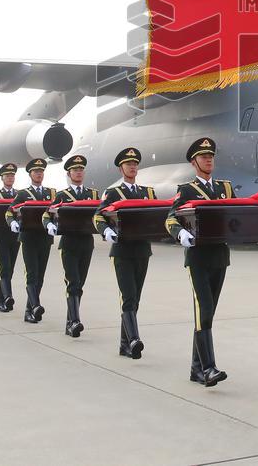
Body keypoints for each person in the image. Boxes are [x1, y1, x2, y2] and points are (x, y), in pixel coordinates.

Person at [165, 137, 235, 387]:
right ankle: (208, 368)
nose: (209, 159)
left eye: (211, 156)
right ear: (194, 162)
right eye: (204, 156)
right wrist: (180, 233)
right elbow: (171, 219)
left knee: (208, 313)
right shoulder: (186, 190)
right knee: (203, 309)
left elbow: (235, 215)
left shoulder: (225, 188)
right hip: (197, 258)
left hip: (220, 257)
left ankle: (197, 368)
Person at [94, 147, 157, 359]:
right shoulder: (113, 193)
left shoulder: (148, 193)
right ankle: (134, 339)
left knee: (135, 298)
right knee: (128, 296)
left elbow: (156, 215)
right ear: (121, 169)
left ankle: (124, 344)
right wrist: (107, 231)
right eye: (128, 164)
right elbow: (98, 216)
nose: (132, 166)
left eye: (135, 163)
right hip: (121, 251)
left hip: (142, 250)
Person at [43, 155, 98, 337]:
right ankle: (75, 320)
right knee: (72, 282)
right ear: (69, 173)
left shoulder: (93, 194)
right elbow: (47, 215)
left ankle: (70, 322)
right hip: (69, 242)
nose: (79, 172)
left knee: (80, 283)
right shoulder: (62, 195)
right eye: (75, 170)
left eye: (81, 169)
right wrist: (50, 225)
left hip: (86, 242)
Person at [6, 159, 56, 323]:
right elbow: (9, 212)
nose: (39, 174)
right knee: (32, 273)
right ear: (30, 174)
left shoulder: (52, 193)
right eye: (36, 171)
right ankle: (34, 306)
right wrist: (13, 222)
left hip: (45, 238)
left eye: (41, 171)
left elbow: (57, 211)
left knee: (40, 276)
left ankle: (31, 309)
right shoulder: (22, 194)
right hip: (28, 237)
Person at [0, 164, 21, 312]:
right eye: (7, 175)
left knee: (11, 268)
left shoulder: (19, 194)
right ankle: (7, 297)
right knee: (5, 267)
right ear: (2, 178)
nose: (10, 178)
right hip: (0, 233)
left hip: (15, 234)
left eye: (12, 175)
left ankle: (2, 301)